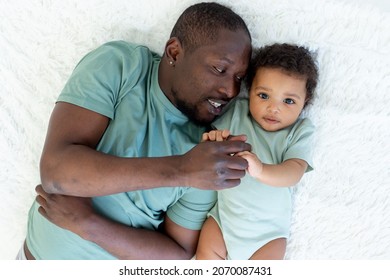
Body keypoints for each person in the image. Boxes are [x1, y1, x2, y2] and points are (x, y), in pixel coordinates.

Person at [19, 2, 253, 260]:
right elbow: (57, 171)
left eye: (239, 78)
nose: (231, 91)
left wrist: (88, 224)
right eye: (220, 69)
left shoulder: (208, 150)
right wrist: (182, 169)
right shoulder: (121, 65)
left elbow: (177, 254)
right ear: (174, 52)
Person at [195, 43, 319, 260]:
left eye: (288, 101)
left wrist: (261, 170)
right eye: (263, 96)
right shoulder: (237, 115)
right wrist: (213, 142)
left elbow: (294, 172)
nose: (274, 108)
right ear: (249, 91)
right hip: (224, 221)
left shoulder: (298, 131)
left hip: (268, 237)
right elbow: (212, 144)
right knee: (207, 253)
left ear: (305, 103)